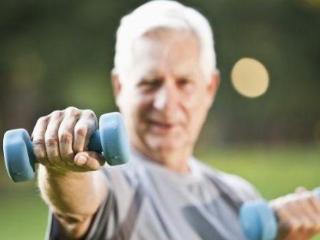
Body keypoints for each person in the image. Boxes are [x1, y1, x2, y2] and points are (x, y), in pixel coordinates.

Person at [33, 1, 320, 239]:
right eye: (150, 82)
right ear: (120, 87)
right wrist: (63, 171)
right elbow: (76, 208)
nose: (166, 103)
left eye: (184, 82)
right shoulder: (113, 180)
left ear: (210, 88)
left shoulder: (239, 196)